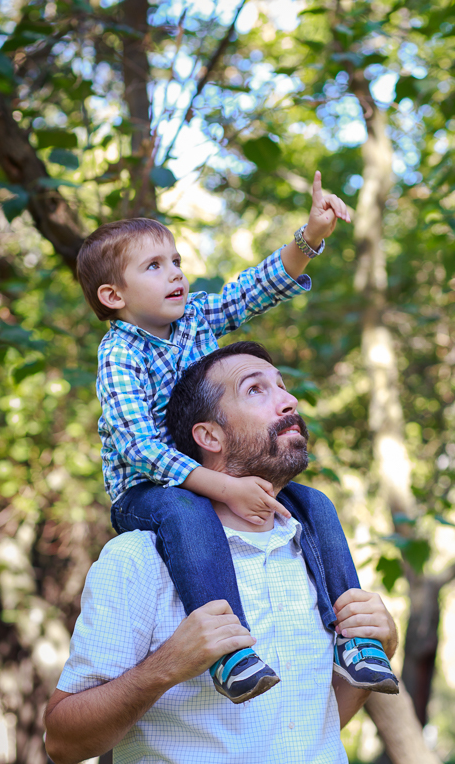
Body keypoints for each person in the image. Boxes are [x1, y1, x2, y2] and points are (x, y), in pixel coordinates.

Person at [44, 341, 399, 764]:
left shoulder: (312, 551)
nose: (286, 399)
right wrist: (166, 667)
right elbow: (61, 740)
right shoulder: (139, 560)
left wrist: (383, 645)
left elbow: (313, 723)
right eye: (256, 389)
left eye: (282, 385)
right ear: (208, 436)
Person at [76, 174, 397, 703]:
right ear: (113, 295)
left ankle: (355, 639)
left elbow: (257, 288)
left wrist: (310, 236)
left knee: (312, 503)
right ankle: (230, 653)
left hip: (206, 473)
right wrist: (222, 488)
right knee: (186, 514)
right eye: (154, 267)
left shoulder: (196, 316)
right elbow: (136, 445)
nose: (175, 274)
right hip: (148, 491)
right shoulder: (119, 355)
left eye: (176, 261)